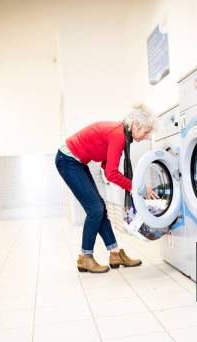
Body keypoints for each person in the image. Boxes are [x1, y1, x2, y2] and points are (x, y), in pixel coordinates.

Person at [55, 103, 158, 273]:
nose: (146, 137)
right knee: (96, 209)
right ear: (135, 125)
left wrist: (125, 181)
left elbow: (106, 164)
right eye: (145, 132)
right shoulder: (118, 135)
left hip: (76, 162)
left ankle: (115, 253)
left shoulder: (121, 133)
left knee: (99, 208)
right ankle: (85, 257)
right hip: (68, 161)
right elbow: (111, 173)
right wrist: (136, 187)